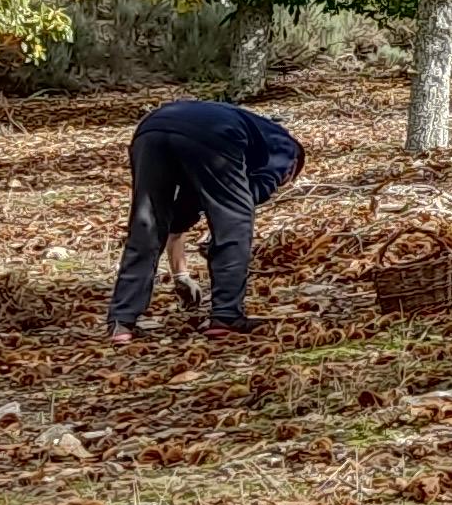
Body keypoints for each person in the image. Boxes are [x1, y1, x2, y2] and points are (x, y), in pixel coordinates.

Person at [107, 97, 304, 339]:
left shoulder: (250, 132)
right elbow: (247, 199)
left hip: (151, 129)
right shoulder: (286, 148)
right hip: (214, 134)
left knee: (147, 222)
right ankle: (226, 316)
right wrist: (221, 224)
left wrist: (181, 275)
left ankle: (122, 321)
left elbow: (183, 212)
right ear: (294, 168)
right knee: (236, 221)